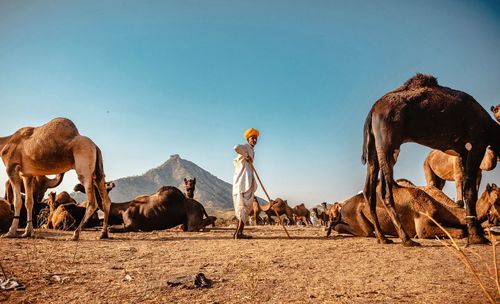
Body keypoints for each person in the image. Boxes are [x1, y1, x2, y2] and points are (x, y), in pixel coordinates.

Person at [232, 128, 259, 239]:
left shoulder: (253, 150)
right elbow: (236, 147)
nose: (254, 140)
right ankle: (239, 233)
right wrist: (246, 156)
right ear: (248, 139)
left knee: (244, 207)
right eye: (252, 138)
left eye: (256, 138)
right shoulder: (245, 147)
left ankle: (237, 232)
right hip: (243, 181)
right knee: (243, 206)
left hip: (247, 180)